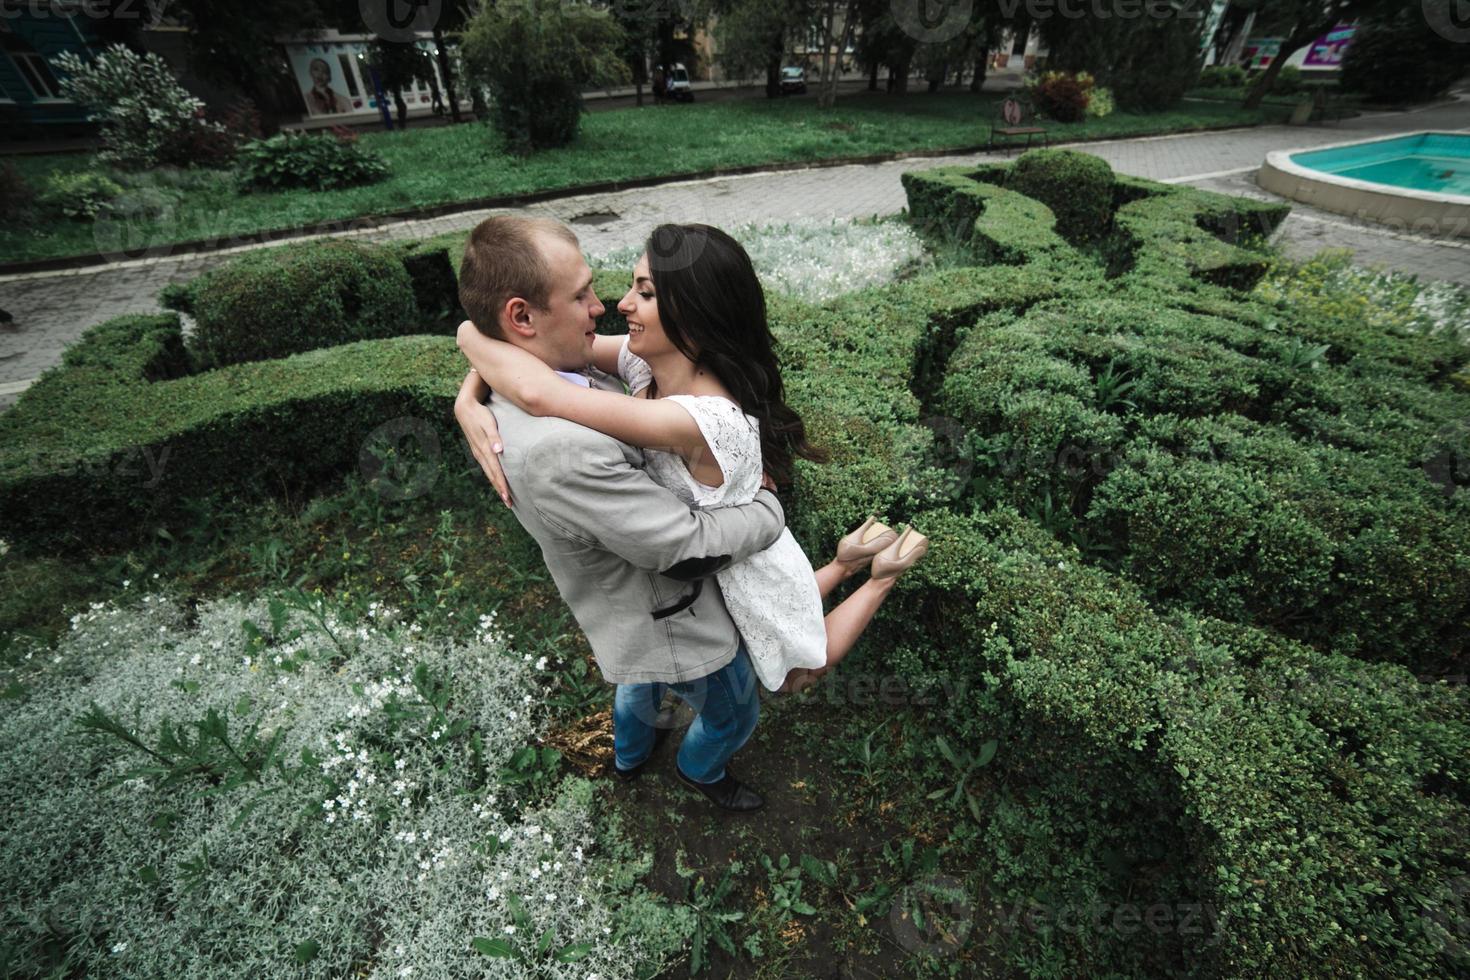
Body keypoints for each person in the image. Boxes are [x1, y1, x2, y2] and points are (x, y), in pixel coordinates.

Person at [455, 223, 930, 700]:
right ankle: (848, 562)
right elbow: (529, 361)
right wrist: (469, 372)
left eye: (644, 293)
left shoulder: (703, 420)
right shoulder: (646, 362)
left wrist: (468, 344)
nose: (617, 305)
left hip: (748, 566)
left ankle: (881, 576)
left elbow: (540, 392)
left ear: (694, 317)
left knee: (804, 666)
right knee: (795, 613)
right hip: (731, 559)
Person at [453, 215, 787, 813]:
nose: (604, 304)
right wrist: (768, 512)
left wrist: (469, 361)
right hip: (668, 613)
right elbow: (683, 550)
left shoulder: (552, 370)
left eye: (642, 291)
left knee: (638, 685)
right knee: (733, 705)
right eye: (580, 293)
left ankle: (631, 758)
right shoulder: (564, 448)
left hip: (628, 608)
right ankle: (699, 769)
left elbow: (516, 363)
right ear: (522, 318)